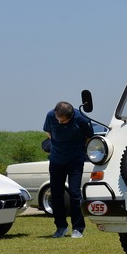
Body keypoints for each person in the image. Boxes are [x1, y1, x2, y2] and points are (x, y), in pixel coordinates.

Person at [43, 101, 94, 238]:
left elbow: (89, 137)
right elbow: (48, 132)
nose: (60, 122)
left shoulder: (81, 119)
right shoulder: (50, 116)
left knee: (74, 192)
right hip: (56, 160)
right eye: (58, 119)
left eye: (63, 121)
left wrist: (78, 149)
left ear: (71, 116)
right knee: (56, 193)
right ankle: (61, 227)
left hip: (75, 161)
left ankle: (78, 228)